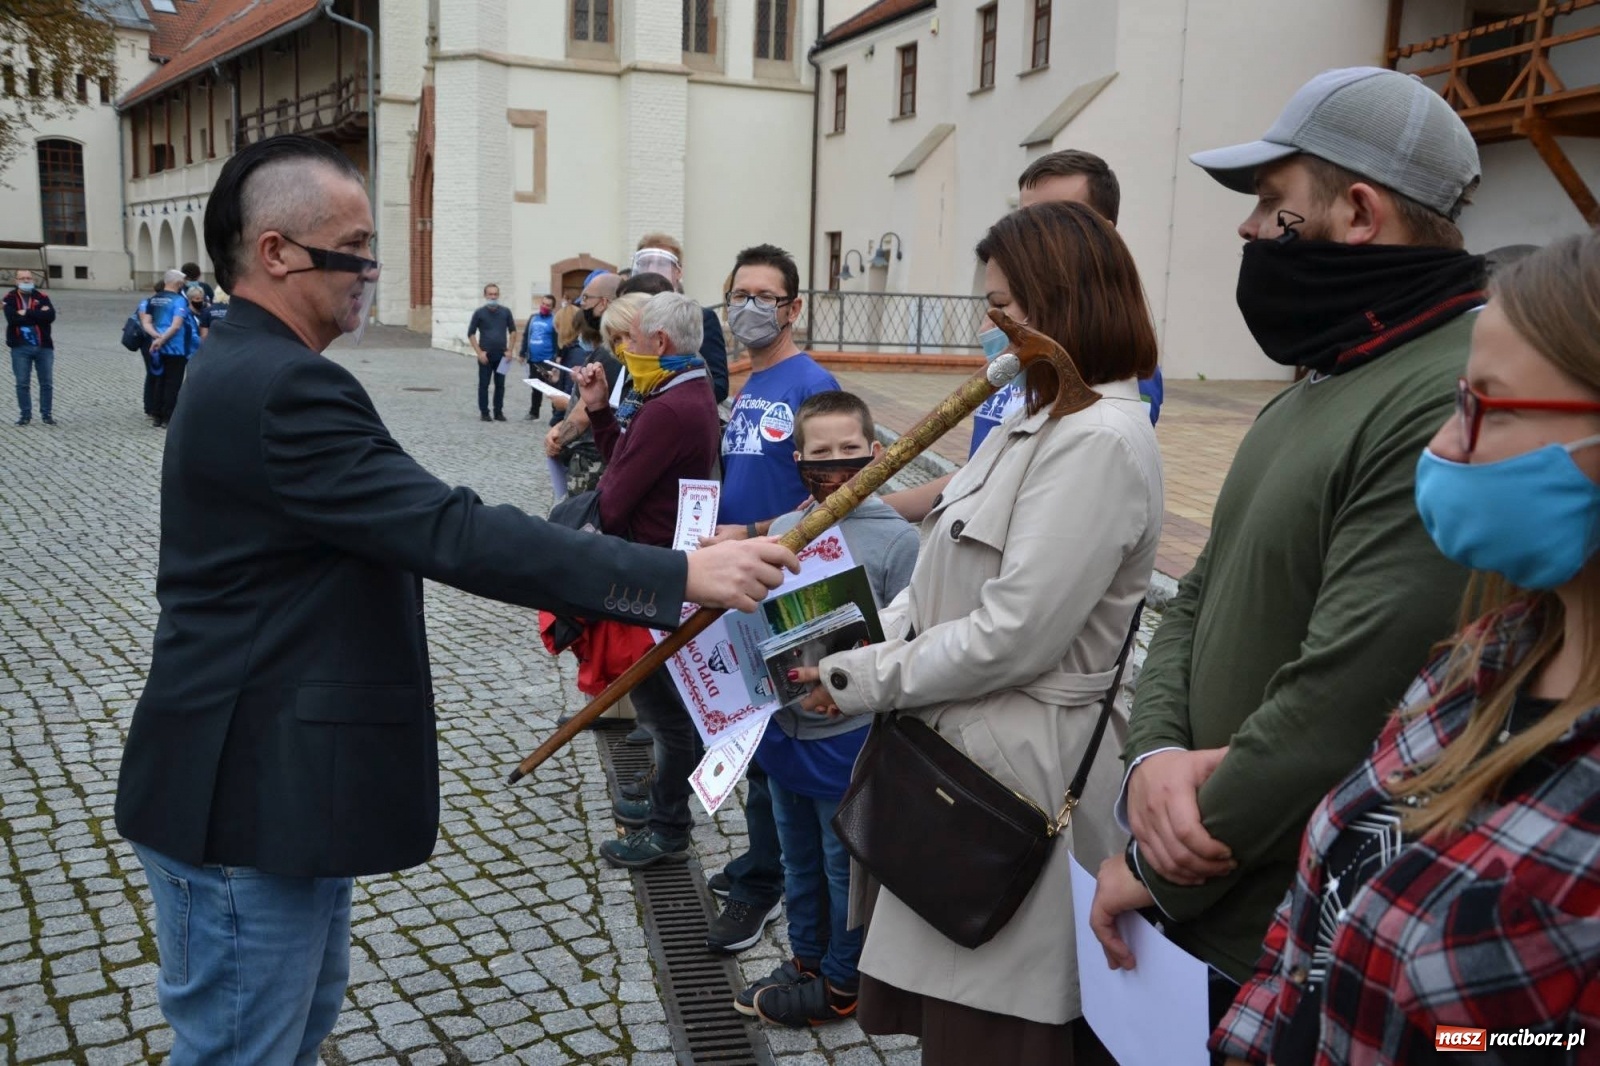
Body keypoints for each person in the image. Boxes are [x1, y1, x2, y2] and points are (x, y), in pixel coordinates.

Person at [113, 134, 797, 1066]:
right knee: (245, 1050)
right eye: (352, 246)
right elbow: (451, 530)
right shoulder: (280, 385)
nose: (371, 268)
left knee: (289, 1034)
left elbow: (420, 520)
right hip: (241, 796)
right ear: (274, 252)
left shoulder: (258, 366)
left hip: (274, 791)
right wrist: (678, 581)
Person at [1089, 67, 1484, 1032]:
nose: (1248, 229)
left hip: (1279, 937)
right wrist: (1152, 760)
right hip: (1201, 916)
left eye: (1273, 203)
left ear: (1357, 211)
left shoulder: (1440, 398)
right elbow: (1195, 598)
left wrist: (1156, 864)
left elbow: (1340, 704)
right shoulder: (1316, 383)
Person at [1206, 230, 1600, 1065]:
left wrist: (1448, 1043)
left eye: (1484, 406)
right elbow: (1321, 917)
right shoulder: (1489, 653)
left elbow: (1519, 1039)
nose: (1444, 449)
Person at [798, 201, 1163, 1065]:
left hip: (1016, 776)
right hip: (958, 749)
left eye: (1006, 306)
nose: (992, 327)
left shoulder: (1099, 441)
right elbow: (938, 585)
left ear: (1063, 303)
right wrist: (841, 650)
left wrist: (865, 677)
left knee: (998, 1028)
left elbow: (1012, 635)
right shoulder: (1034, 418)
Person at [736, 390, 919, 1028]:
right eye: (820, 453)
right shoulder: (786, 528)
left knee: (846, 867)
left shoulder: (898, 541)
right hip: (786, 728)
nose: (835, 463)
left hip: (850, 735)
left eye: (850, 451)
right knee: (798, 856)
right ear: (798, 458)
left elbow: (910, 636)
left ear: (877, 454)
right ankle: (808, 957)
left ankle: (847, 978)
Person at [886, 149, 1162, 524]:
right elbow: (981, 471)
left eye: (1056, 220)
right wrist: (876, 510)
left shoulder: (1112, 370)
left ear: (1102, 235)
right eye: (1025, 217)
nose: (1032, 236)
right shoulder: (1018, 340)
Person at [700, 243, 842, 955]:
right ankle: (766, 865)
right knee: (750, 732)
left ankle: (765, 888)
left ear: (792, 308)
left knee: (776, 739)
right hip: (738, 581)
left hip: (789, 585)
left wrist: (753, 532)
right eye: (740, 294)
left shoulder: (810, 383)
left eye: (766, 296)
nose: (749, 308)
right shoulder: (748, 382)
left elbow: (837, 492)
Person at [567, 292, 722, 869]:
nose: (625, 351)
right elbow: (628, 465)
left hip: (651, 574)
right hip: (661, 562)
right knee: (664, 706)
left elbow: (613, 496)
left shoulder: (669, 407)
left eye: (630, 340)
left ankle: (667, 828)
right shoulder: (683, 389)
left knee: (665, 713)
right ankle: (659, 797)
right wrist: (602, 410)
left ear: (659, 343)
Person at [632, 233, 730, 402]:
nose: (651, 270)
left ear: (678, 272)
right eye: (646, 263)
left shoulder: (701, 318)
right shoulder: (630, 317)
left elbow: (719, 385)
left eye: (661, 264)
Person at [140, 269, 195, 429]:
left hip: (156, 347)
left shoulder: (153, 300)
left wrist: (156, 338)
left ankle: (156, 415)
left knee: (159, 380)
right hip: (175, 348)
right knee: (173, 382)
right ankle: (168, 417)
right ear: (178, 283)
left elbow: (146, 323)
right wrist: (163, 339)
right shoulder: (179, 300)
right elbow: (176, 325)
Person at [5, 268, 57, 427]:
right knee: (22, 382)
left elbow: (50, 317)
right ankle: (25, 415)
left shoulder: (42, 297)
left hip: (43, 346)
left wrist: (25, 312)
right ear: (16, 281)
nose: (26, 281)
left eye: (28, 278)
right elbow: (12, 318)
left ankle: (46, 414)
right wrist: (36, 314)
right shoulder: (10, 298)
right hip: (20, 347)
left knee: (46, 383)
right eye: (22, 278)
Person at [467, 283, 518, 422]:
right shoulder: (479, 313)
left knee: (500, 385)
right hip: (486, 355)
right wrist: (479, 352)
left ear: (498, 295)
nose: (493, 297)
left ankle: (498, 411)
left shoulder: (506, 312)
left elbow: (513, 330)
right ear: (485, 295)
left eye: (495, 294)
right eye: (490, 294)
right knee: (484, 384)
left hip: (502, 355)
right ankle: (484, 412)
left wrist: (510, 349)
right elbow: (471, 333)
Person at [522, 292, 557, 420]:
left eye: (548, 305)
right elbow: (526, 335)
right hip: (533, 359)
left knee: (551, 388)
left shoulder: (554, 321)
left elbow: (557, 339)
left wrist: (557, 357)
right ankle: (534, 412)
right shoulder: (533, 318)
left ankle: (555, 414)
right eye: (543, 303)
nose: (544, 306)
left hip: (548, 360)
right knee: (535, 387)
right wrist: (522, 353)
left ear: (552, 308)